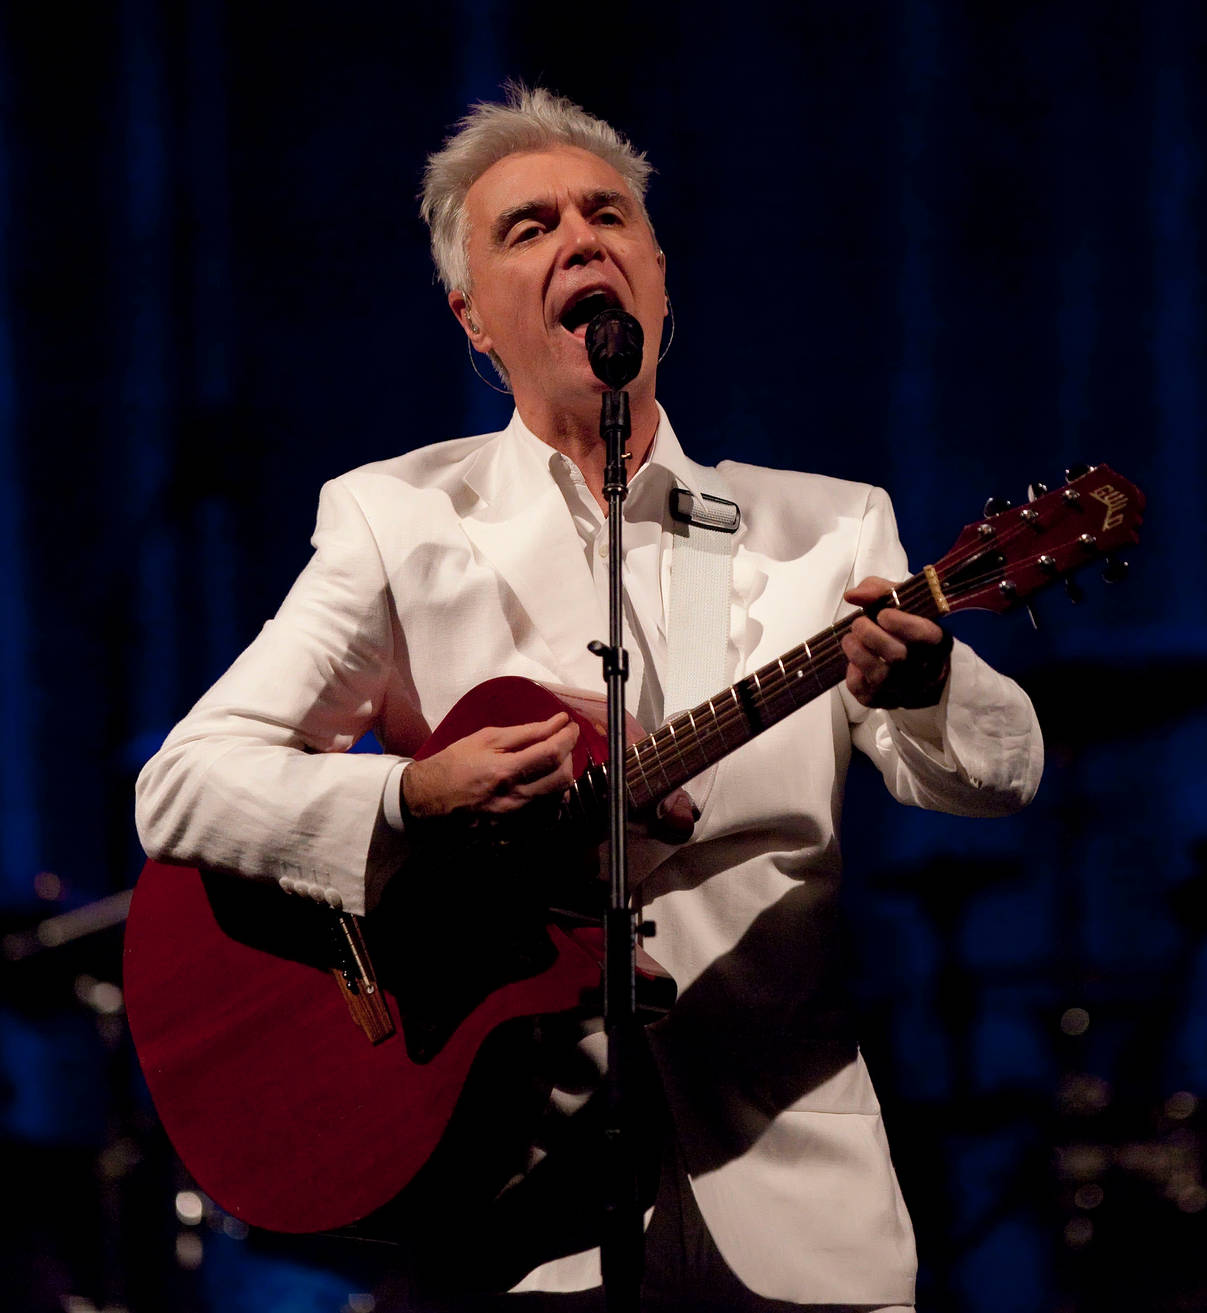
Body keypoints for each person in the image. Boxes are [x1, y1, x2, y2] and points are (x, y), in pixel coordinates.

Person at [133, 84, 1044, 1310]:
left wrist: (934, 676)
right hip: (508, 1213)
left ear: (660, 281)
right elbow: (182, 787)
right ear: (473, 320)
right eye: (529, 227)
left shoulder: (826, 529)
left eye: (608, 214)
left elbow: (998, 774)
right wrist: (413, 794)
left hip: (797, 1205)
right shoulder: (399, 522)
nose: (580, 238)